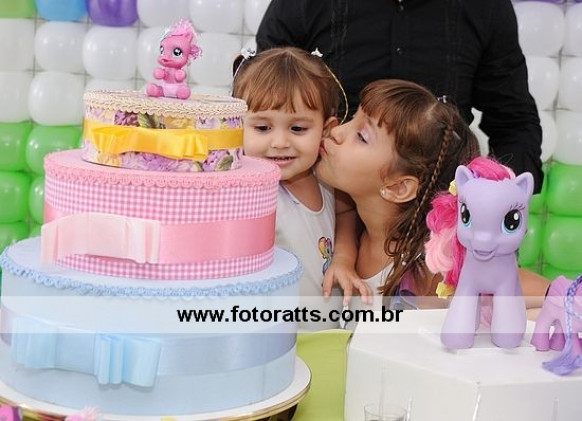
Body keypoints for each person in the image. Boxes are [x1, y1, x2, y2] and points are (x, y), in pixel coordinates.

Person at [315, 79, 549, 321]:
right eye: (352, 117)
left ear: (399, 187)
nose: (336, 131)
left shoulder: (432, 268)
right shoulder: (343, 224)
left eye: (362, 137)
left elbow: (551, 295)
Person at [256, 0, 544, 194]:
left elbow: (514, 124)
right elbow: (260, 101)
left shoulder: (485, 7)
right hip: (319, 205)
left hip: (435, 220)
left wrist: (496, 203)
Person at [232, 46, 345, 331]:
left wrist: (344, 258)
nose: (280, 142)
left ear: (326, 129)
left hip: (328, 335)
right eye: (262, 128)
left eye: (297, 129)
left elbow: (348, 215)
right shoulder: (247, 193)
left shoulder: (328, 180)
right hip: (275, 337)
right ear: (236, 125)